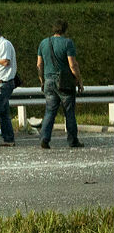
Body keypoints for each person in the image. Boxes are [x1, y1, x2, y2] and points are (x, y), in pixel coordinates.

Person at [37, 19, 84, 149]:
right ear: (65, 29)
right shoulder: (68, 43)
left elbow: (39, 64)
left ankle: (44, 139)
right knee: (69, 112)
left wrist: (42, 80)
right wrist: (79, 80)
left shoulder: (43, 43)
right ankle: (73, 141)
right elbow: (72, 65)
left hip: (48, 81)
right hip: (64, 83)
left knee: (50, 111)